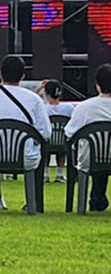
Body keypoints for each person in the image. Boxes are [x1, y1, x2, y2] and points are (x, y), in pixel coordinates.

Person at [0, 55, 51, 210]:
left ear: (0, 74)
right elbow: (45, 133)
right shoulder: (34, 100)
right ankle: (33, 203)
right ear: (22, 76)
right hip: (26, 158)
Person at [64, 64, 111, 211]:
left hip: (88, 159)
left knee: (97, 152)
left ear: (97, 84)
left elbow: (69, 133)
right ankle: (98, 199)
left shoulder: (84, 107)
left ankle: (97, 200)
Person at [35, 79, 74, 183]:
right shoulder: (69, 108)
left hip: (47, 142)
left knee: (45, 146)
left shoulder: (43, 108)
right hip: (62, 143)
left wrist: (39, 89)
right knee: (61, 150)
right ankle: (59, 174)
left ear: (46, 93)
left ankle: (45, 174)